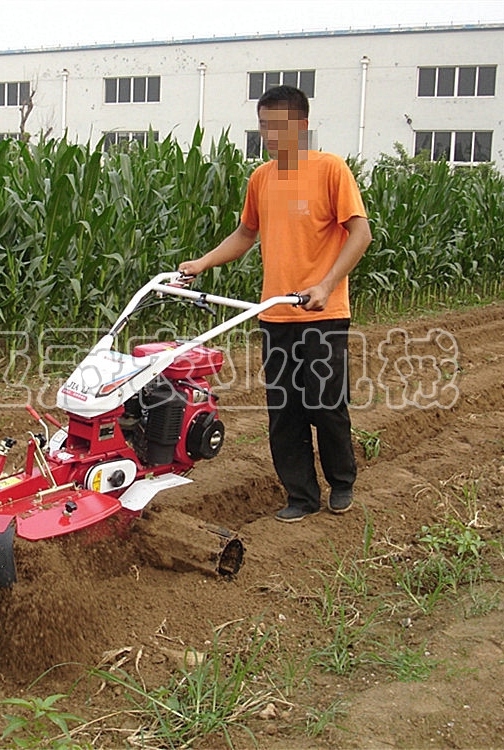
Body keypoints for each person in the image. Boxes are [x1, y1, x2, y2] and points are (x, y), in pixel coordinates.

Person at [179, 85, 372, 522]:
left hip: (322, 314)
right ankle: (300, 496)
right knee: (284, 411)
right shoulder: (262, 178)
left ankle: (341, 483)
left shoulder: (330, 170)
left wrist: (325, 286)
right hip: (275, 314)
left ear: (301, 125)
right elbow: (246, 234)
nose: (267, 134)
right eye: (263, 125)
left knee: (325, 404)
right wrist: (203, 262)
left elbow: (360, 234)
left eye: (275, 126)